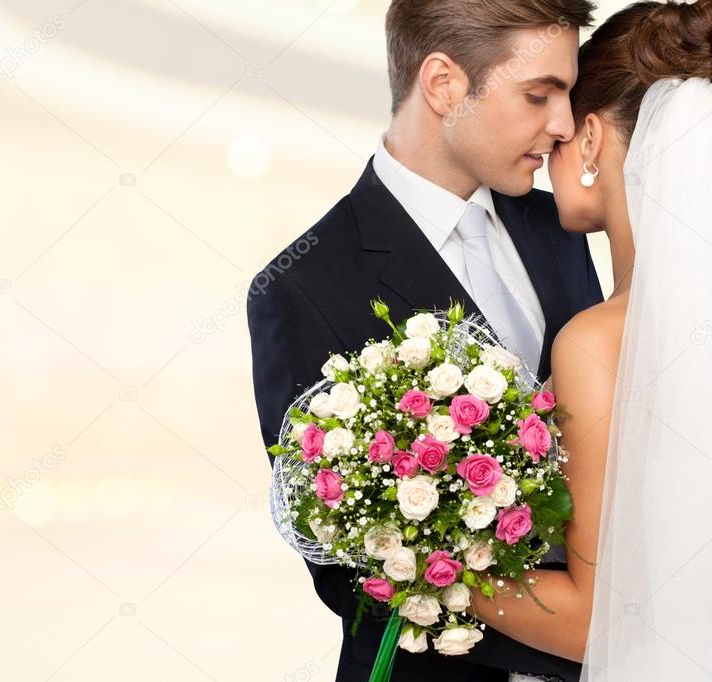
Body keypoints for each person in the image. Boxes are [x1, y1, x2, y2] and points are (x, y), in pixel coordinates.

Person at [246, 1, 604, 679]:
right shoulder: (301, 285)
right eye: (538, 95)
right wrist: (580, 632)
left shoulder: (557, 226)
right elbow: (343, 564)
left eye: (567, 95)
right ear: (442, 84)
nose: (561, 126)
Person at [467, 2, 712, 680]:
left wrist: (424, 557)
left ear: (594, 139)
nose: (547, 142)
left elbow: (597, 619)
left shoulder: (598, 344)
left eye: (561, 121)